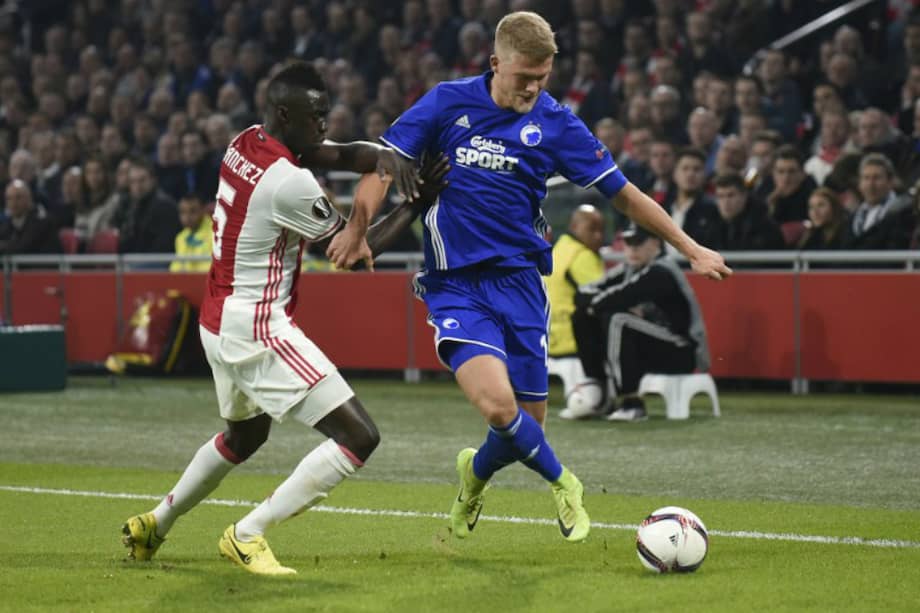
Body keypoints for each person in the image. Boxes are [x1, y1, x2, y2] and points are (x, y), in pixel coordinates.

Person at [375, 12, 730, 544]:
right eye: (524, 77)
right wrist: (359, 228)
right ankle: (565, 483)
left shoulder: (556, 123)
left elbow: (623, 193)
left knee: (526, 426)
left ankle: (473, 476)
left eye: (543, 77)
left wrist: (690, 247)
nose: (534, 88)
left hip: (521, 285)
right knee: (500, 408)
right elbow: (383, 160)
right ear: (495, 63)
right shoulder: (448, 102)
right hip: (457, 284)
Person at [121, 61, 444, 576]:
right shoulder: (288, 183)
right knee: (359, 437)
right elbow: (351, 255)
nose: (324, 124)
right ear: (285, 115)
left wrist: (389, 157)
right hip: (257, 327)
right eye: (316, 116)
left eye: (326, 112)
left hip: (217, 320)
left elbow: (342, 153)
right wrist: (416, 204)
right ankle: (248, 533)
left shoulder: (247, 140)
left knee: (244, 438)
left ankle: (154, 524)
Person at [567, 223, 710, 422]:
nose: (632, 249)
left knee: (618, 319)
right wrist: (592, 307)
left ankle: (631, 402)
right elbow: (582, 292)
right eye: (628, 243)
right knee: (581, 316)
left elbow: (620, 297)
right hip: (653, 344)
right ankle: (598, 390)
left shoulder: (661, 271)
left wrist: (595, 305)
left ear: (656, 243)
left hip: (682, 349)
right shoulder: (628, 269)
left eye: (639, 242)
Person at [546, 205, 605, 407]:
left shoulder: (557, 250)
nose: (598, 236)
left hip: (548, 338)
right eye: (592, 229)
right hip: (574, 342)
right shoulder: (582, 256)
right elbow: (603, 298)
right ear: (574, 227)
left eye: (601, 230)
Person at [169, 194, 213, 273]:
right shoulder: (180, 237)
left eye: (192, 211)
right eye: (183, 212)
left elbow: (210, 267)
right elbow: (174, 268)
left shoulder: (215, 234)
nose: (187, 217)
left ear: (203, 210)